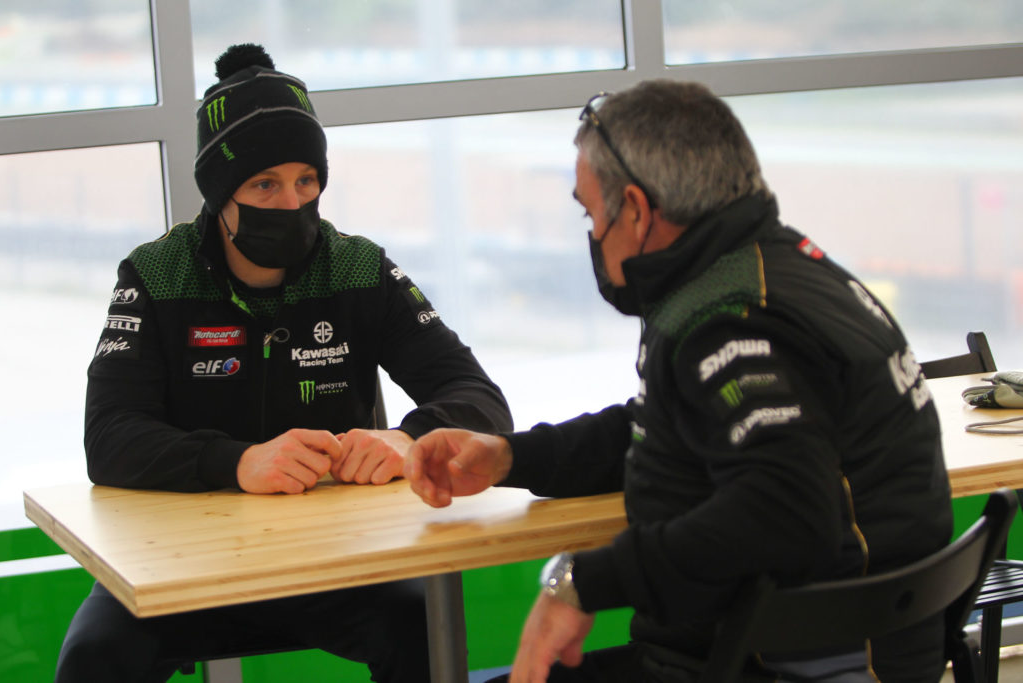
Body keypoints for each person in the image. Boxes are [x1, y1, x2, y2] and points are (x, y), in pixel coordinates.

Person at [405, 80, 952, 683]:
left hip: (783, 661)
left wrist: (580, 583)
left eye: (592, 214)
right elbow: (671, 427)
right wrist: (510, 456)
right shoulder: (778, 267)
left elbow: (788, 512)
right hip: (847, 647)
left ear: (636, 211)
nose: (592, 236)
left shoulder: (731, 320)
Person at [55, 43, 512, 683]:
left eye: (306, 179)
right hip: (181, 567)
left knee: (425, 631)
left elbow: (479, 397)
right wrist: (238, 461)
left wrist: (404, 438)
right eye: (264, 183)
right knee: (92, 660)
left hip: (337, 566)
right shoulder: (155, 274)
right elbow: (109, 438)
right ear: (219, 193)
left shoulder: (358, 267)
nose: (291, 201)